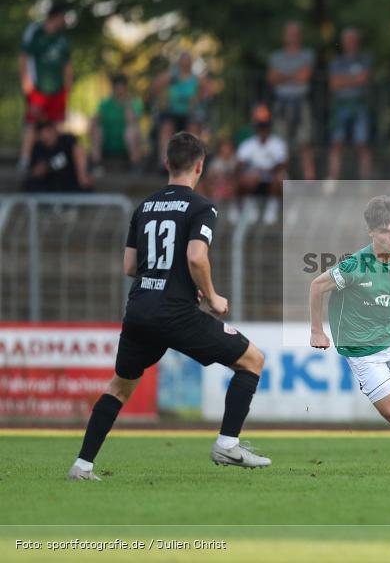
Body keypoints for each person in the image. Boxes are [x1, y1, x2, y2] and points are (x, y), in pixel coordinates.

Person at [67, 132, 271, 480]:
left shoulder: (144, 207)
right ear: (200, 166)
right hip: (176, 312)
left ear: (166, 163)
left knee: (118, 388)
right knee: (252, 360)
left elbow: (130, 266)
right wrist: (211, 296)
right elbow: (196, 256)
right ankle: (227, 444)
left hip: (140, 310)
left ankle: (82, 465)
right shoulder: (202, 207)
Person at [308, 196, 390, 475]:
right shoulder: (355, 266)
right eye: (385, 230)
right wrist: (317, 330)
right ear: (371, 232)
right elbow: (317, 286)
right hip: (362, 348)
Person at [19, 3, 72, 174]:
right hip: (38, 88)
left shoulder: (61, 39)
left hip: (57, 90)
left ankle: (56, 161)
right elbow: (24, 56)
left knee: (56, 125)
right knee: (32, 124)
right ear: (56, 16)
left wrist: (68, 86)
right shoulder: (36, 33)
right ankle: (25, 160)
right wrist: (25, 80)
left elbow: (67, 64)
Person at [269, 21, 316, 181]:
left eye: (295, 33)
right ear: (284, 36)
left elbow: (304, 77)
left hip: (300, 103)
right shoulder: (276, 56)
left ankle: (309, 184)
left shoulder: (307, 54)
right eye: (289, 33)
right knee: (280, 146)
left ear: (300, 36)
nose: (292, 37)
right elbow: (272, 78)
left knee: (305, 143)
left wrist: (283, 76)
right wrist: (294, 76)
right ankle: (281, 183)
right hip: (281, 104)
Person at [328, 27, 373, 181]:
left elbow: (363, 79)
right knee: (336, 143)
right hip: (341, 106)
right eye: (347, 40)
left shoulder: (364, 59)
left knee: (362, 143)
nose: (349, 43)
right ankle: (333, 179)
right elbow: (334, 84)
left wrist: (343, 80)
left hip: (359, 105)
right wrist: (354, 79)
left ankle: (366, 181)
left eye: (352, 40)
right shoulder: (337, 61)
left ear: (357, 41)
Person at [236, 105, 289, 225]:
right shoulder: (248, 144)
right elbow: (239, 163)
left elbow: (283, 163)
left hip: (272, 175)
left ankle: (272, 209)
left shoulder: (278, 143)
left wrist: (267, 171)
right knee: (244, 179)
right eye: (260, 126)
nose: (263, 129)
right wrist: (250, 172)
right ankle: (251, 207)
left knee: (280, 178)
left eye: (265, 126)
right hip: (254, 176)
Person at [153, 52, 208, 167]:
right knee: (166, 127)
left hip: (190, 113)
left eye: (187, 61)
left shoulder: (196, 78)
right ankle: (165, 162)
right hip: (172, 112)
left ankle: (192, 162)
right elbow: (155, 85)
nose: (185, 64)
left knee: (193, 129)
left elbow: (210, 90)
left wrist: (198, 97)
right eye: (183, 61)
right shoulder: (171, 76)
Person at [90, 74, 144, 171]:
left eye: (121, 87)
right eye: (116, 87)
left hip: (127, 144)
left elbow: (131, 120)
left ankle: (135, 164)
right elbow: (95, 120)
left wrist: (127, 103)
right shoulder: (105, 104)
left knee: (132, 130)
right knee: (96, 129)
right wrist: (94, 122)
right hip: (107, 143)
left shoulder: (135, 102)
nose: (119, 90)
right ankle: (96, 163)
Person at [22, 121, 90, 192]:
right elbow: (33, 172)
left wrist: (82, 176)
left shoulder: (67, 140)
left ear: (54, 130)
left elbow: (79, 151)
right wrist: (41, 170)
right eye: (43, 133)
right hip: (48, 186)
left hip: (71, 183)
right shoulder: (38, 148)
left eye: (48, 131)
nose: (46, 136)